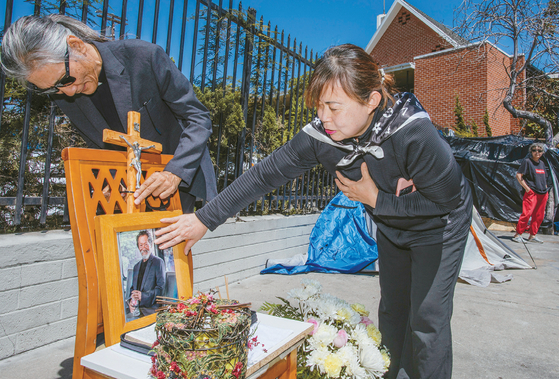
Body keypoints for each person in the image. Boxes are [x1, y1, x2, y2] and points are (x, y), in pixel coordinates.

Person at [154, 44, 473, 379]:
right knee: (393, 311)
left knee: (426, 320)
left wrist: (377, 199)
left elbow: (446, 202)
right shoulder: (321, 136)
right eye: (319, 106)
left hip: (439, 225)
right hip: (393, 226)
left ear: (372, 100)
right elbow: (265, 174)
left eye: (333, 106)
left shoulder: (413, 132)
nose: (323, 117)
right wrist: (205, 219)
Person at [1, 14, 217, 212]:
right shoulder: (63, 93)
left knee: (168, 253)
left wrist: (174, 173)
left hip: (171, 184)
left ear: (76, 45)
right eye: (51, 88)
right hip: (124, 193)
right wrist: (108, 184)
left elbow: (197, 118)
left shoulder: (144, 57)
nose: (68, 92)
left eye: (64, 80)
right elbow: (100, 144)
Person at [512, 143, 549, 244]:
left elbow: (544, 178)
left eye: (539, 150)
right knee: (527, 214)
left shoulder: (542, 163)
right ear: (531, 152)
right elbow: (519, 175)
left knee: (539, 216)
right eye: (534, 150)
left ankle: (532, 236)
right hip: (532, 193)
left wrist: (545, 189)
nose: (537, 152)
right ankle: (517, 235)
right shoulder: (527, 162)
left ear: (542, 152)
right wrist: (527, 189)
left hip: (543, 194)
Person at [128, 230, 165, 317]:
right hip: (137, 308)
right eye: (141, 245)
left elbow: (160, 290)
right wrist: (131, 301)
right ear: (138, 247)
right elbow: (132, 289)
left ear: (151, 244)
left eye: (146, 244)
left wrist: (143, 296)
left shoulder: (158, 262)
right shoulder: (136, 267)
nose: (143, 248)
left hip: (151, 309)